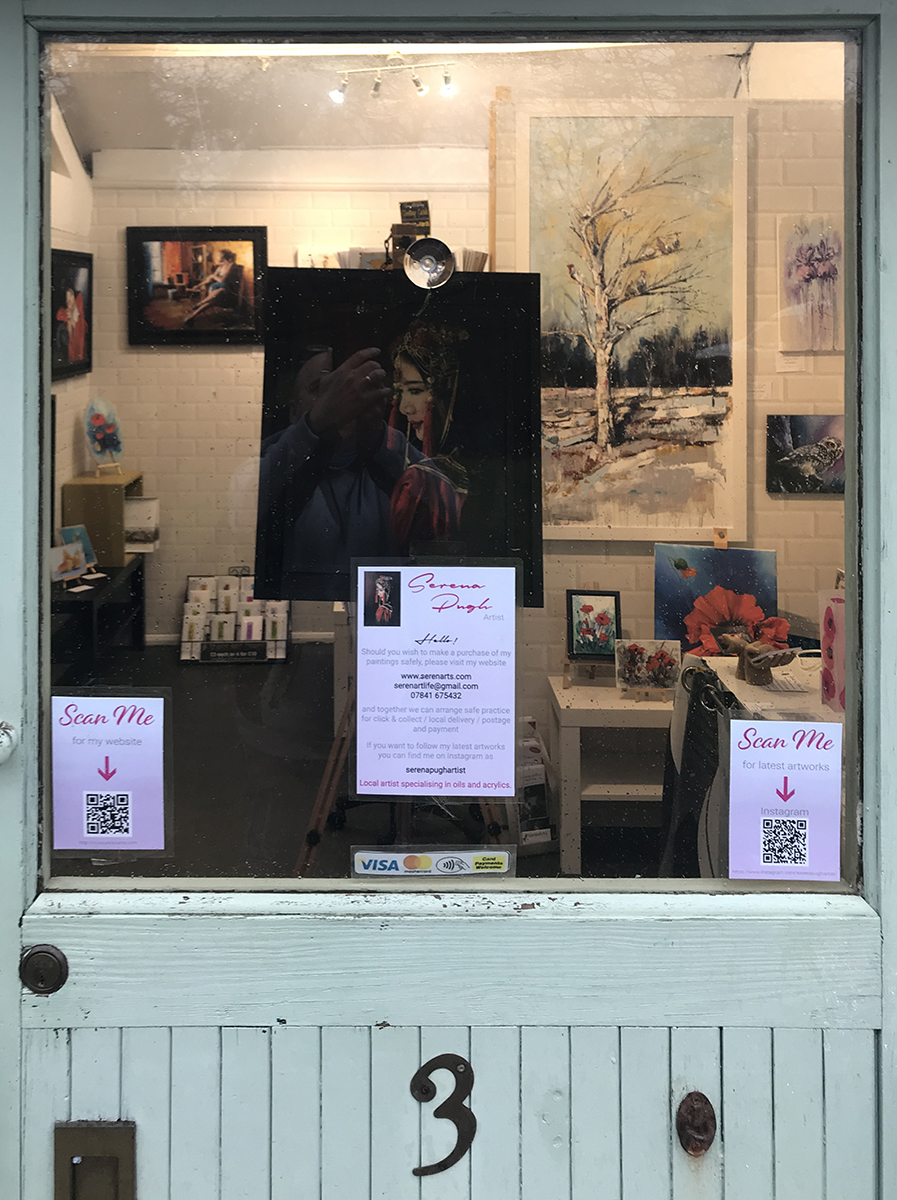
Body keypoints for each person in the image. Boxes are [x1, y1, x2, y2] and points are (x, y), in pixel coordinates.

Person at [255, 344, 463, 602]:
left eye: (349, 388)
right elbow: (244, 510)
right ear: (294, 411)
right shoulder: (275, 457)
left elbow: (448, 515)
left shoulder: (388, 456)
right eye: (321, 388)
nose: (338, 398)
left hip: (381, 613)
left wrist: (379, 438)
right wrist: (313, 427)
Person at [387, 321, 470, 545]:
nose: (404, 408)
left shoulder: (420, 479)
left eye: (415, 391)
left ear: (445, 393)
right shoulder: (415, 473)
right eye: (401, 393)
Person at [184, 248, 240, 324]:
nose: (217, 257)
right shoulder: (220, 267)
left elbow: (221, 280)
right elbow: (209, 279)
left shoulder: (231, 265)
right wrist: (198, 285)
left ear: (223, 256)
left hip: (226, 290)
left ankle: (194, 312)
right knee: (212, 299)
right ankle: (195, 311)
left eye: (219, 255)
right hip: (216, 288)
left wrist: (213, 276)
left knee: (217, 294)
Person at [55, 280, 87, 363]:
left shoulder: (78, 305)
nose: (69, 303)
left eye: (70, 299)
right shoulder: (63, 312)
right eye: (67, 301)